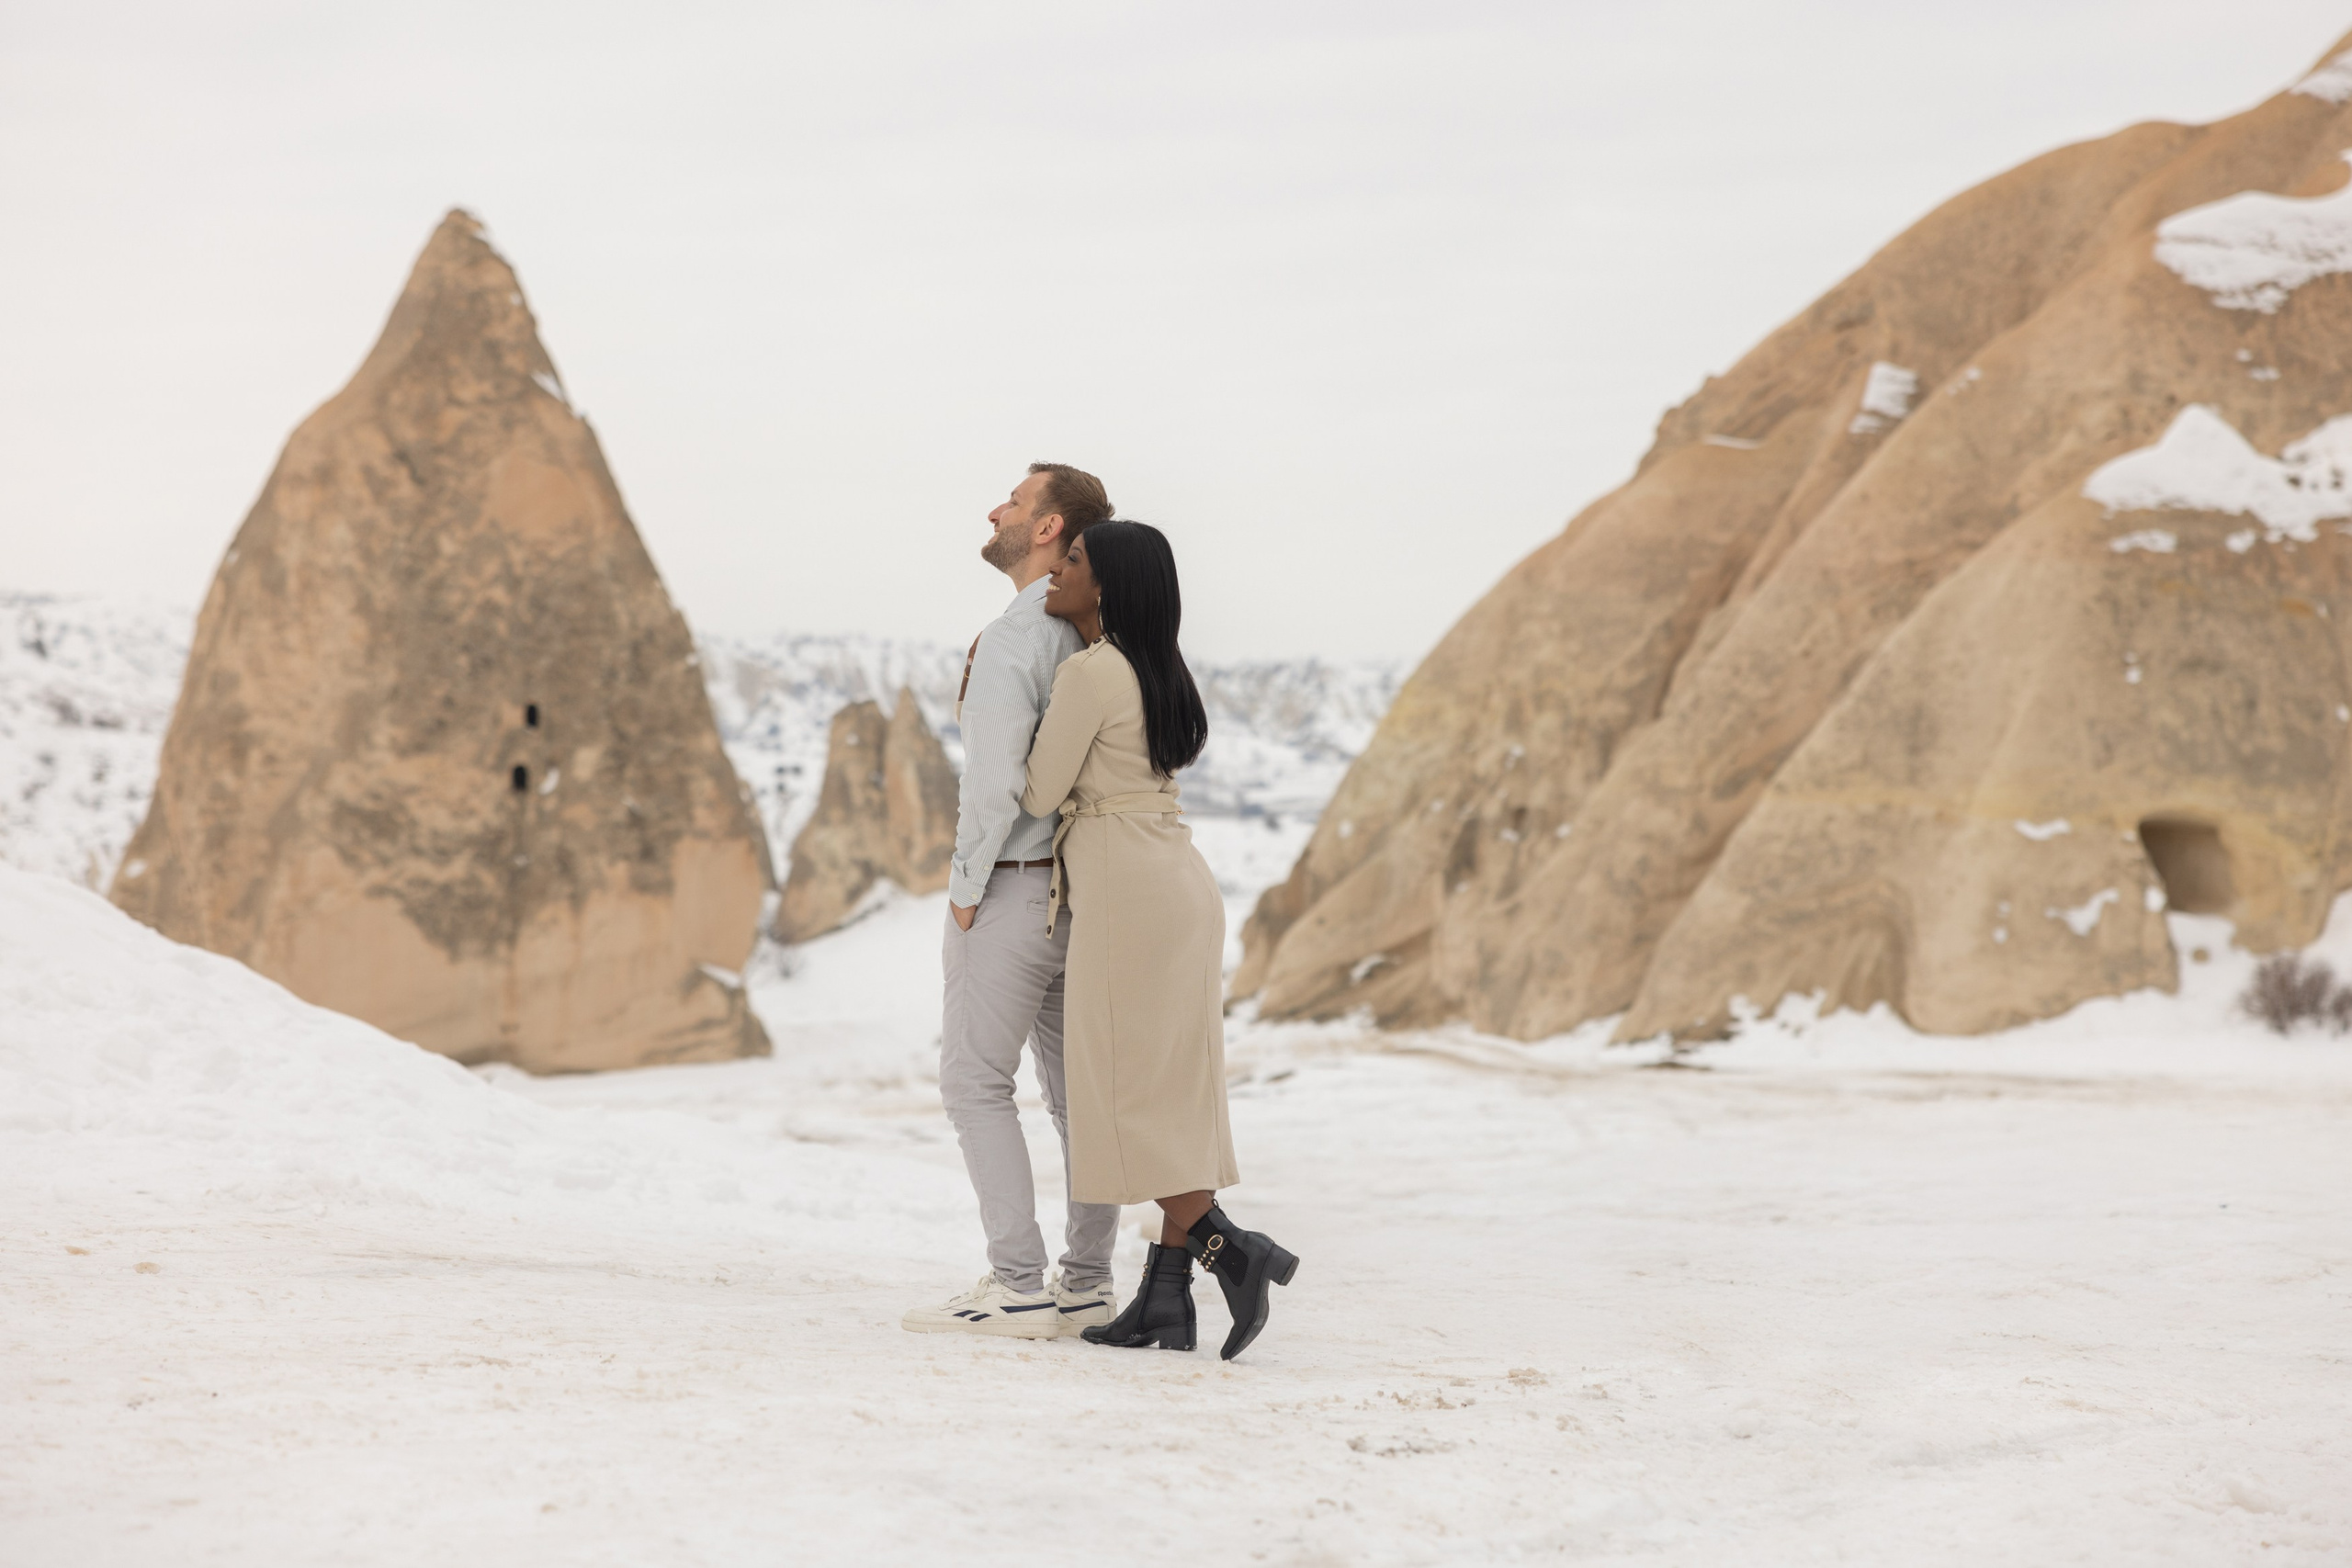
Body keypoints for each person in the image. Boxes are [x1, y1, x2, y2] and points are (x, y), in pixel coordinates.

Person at [1021, 522, 1299, 1360]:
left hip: (1127, 893)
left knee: (1125, 1095)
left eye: (1072, 562)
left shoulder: (1091, 672)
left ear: (1104, 586)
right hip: (1177, 881)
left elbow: (1038, 789)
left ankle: (1228, 1248)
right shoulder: (1159, 668)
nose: (1056, 571)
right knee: (1169, 1090)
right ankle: (1165, 1303)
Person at [901, 464, 1123, 1340]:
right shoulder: (1093, 634)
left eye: (1013, 499)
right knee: (1078, 1098)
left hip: (1012, 887)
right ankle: (1087, 1281)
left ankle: (1018, 1283)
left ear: (1046, 528)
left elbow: (995, 789)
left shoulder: (1014, 638)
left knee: (974, 1082)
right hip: (1083, 893)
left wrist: (963, 892)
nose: (995, 508)